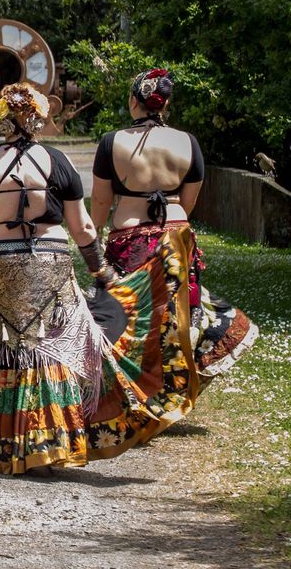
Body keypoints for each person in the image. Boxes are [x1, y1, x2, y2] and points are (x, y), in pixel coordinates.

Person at [0, 82, 195, 475]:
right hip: (49, 262)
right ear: (38, 118)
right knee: (49, 345)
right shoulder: (58, 162)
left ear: (2, 120)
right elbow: (82, 226)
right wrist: (101, 269)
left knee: (2, 346)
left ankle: (0, 440)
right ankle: (48, 441)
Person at [90, 69, 257, 380]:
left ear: (133, 101)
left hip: (130, 239)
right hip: (177, 238)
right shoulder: (188, 143)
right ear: (164, 104)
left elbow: (100, 201)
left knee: (131, 320)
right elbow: (188, 202)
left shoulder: (111, 142)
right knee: (175, 317)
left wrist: (94, 237)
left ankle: (132, 389)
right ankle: (172, 382)